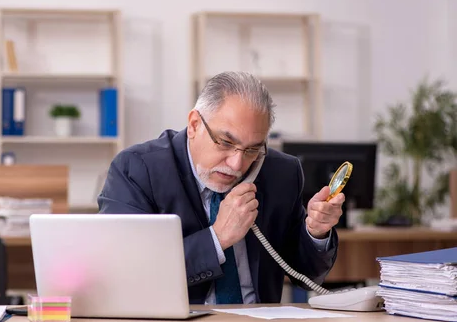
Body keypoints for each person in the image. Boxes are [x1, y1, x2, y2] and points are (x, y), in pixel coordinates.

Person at [98, 71, 344, 304]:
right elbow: (127, 271)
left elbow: (308, 275)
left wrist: (316, 232)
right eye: (225, 143)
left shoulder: (281, 172)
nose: (237, 164)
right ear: (194, 124)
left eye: (252, 149)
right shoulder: (136, 169)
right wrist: (218, 237)